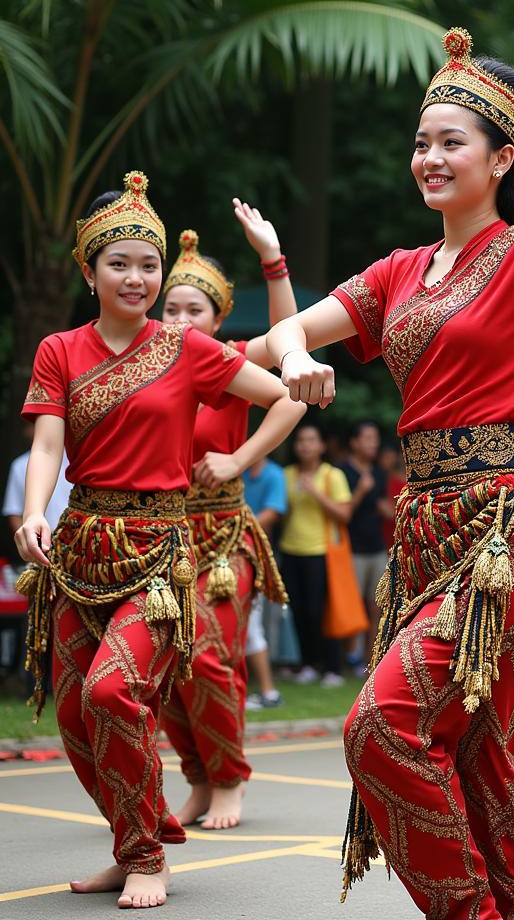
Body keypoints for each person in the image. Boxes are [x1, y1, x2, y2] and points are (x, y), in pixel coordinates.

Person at [259, 1, 514, 917]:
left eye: (452, 142)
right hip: (423, 530)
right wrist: (293, 357)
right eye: (421, 142)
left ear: (501, 157)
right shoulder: (397, 271)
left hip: (504, 529)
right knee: (476, 752)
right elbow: (283, 333)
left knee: (382, 727)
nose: (430, 159)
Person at [14, 171, 302, 908]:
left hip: (159, 551)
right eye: (120, 264)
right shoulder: (60, 350)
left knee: (114, 690)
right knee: (78, 712)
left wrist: (244, 452)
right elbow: (48, 445)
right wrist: (33, 511)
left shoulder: (186, 348)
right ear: (89, 272)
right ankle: (130, 839)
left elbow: (279, 397)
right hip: (80, 547)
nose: (137, 278)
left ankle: (151, 852)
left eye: (149, 264)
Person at [159, 217, 302, 830]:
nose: (180, 321)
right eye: (171, 309)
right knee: (164, 662)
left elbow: (292, 364)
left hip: (220, 540)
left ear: (217, 320)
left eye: (195, 310)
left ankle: (229, 779)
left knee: (211, 655)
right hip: (157, 538)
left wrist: (273, 260)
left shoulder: (228, 360)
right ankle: (197, 776)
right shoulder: (138, 367)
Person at [279, 422, 352, 687]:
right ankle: (309, 664)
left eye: (311, 440)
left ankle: (333, 667)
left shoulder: (332, 475)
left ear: (321, 446)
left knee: (321, 611)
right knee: (297, 611)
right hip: (291, 550)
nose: (305, 445)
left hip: (321, 552)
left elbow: (344, 514)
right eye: (300, 441)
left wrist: (315, 492)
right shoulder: (287, 474)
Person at [338, 420, 392, 667]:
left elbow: (383, 507)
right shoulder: (342, 472)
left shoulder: (380, 473)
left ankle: (371, 660)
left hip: (377, 547)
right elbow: (344, 511)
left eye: (375, 438)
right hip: (352, 548)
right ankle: (347, 657)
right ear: (354, 442)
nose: (374, 443)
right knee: (351, 605)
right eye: (368, 438)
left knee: (376, 605)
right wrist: (360, 490)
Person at [242, 454, 289, 710]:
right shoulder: (239, 470)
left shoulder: (273, 474)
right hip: (233, 553)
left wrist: (232, 527)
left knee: (252, 626)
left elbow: (273, 513)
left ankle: (269, 692)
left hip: (255, 556)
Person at [4, 420, 73, 538]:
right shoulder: (20, 465)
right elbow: (14, 511)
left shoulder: (77, 462)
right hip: (44, 542)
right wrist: (33, 544)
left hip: (80, 538)